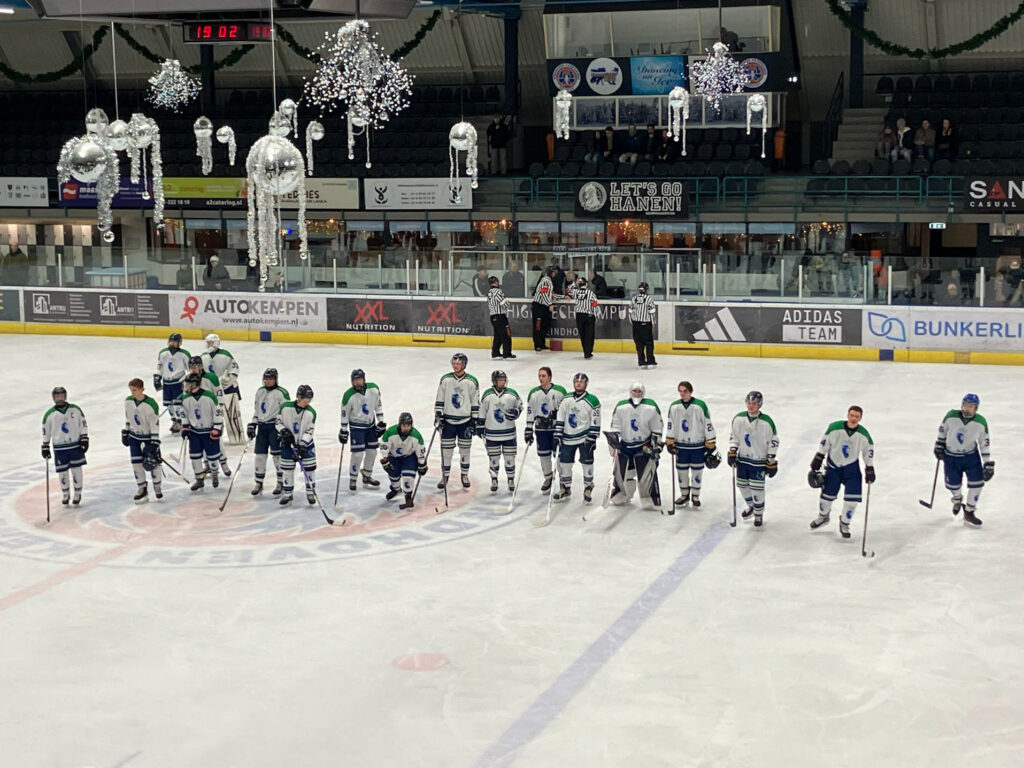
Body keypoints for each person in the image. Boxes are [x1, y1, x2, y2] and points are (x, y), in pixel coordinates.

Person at [808, 405, 875, 539]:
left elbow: (868, 451)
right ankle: (823, 517)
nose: (854, 418)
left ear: (860, 418)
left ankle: (844, 523)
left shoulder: (863, 434)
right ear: (847, 415)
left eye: (857, 416)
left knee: (852, 501)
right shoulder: (835, 428)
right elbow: (824, 443)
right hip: (833, 467)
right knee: (826, 497)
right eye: (852, 415)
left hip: (852, 469)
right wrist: (819, 457)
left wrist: (869, 468)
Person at [934, 393, 993, 526]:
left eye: (971, 406)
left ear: (976, 408)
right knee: (952, 485)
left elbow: (984, 443)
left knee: (977, 484)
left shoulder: (981, 422)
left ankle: (969, 511)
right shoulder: (951, 416)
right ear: (962, 405)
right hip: (951, 456)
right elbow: (942, 430)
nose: (967, 408)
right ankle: (957, 498)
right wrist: (939, 444)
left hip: (971, 457)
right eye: (966, 405)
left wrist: (988, 462)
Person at [607, 382, 663, 510]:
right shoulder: (621, 407)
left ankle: (649, 498)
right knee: (622, 472)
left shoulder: (651, 406)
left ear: (643, 393)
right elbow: (616, 425)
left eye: (639, 392)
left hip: (643, 445)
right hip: (625, 445)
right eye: (634, 391)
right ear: (630, 392)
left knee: (647, 473)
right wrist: (614, 439)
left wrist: (656, 446)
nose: (637, 394)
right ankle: (623, 493)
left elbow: (657, 428)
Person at [727, 390, 779, 527]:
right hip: (743, 459)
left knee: (757, 489)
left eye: (754, 403)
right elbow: (734, 436)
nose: (751, 406)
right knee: (741, 484)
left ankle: (758, 514)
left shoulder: (766, 422)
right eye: (749, 403)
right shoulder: (739, 419)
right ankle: (752, 506)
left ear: (760, 404)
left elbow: (773, 441)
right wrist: (733, 451)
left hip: (759, 461)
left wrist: (771, 460)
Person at [665, 381, 719, 509]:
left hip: (697, 447)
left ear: (690, 391)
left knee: (697, 472)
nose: (682, 394)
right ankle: (684, 495)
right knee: (681, 472)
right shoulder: (674, 406)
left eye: (685, 391)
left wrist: (710, 442)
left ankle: (695, 496)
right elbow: (670, 424)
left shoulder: (700, 406)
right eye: (680, 391)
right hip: (681, 447)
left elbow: (708, 423)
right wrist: (669, 441)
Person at [434, 353, 480, 489]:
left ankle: (464, 474)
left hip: (465, 421)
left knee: (465, 450)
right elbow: (440, 397)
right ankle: (445, 475)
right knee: (446, 451)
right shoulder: (446, 379)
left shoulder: (471, 381)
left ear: (464, 365)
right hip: (448, 421)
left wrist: (475, 420)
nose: (455, 366)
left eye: (458, 364)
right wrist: (438, 415)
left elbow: (475, 401)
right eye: (454, 363)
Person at [552, 372, 600, 502]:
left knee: (587, 462)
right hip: (567, 437)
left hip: (585, 437)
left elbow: (595, 419)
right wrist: (557, 434)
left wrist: (593, 436)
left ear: (586, 384)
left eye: (581, 381)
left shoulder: (592, 400)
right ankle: (565, 488)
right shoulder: (566, 399)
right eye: (577, 381)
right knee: (565, 463)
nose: (579, 383)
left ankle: (588, 487)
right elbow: (560, 416)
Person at [339, 368, 385, 492]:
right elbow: (344, 413)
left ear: (364, 379)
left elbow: (378, 406)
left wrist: (381, 422)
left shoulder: (373, 389)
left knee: (372, 452)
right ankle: (353, 478)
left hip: (370, 426)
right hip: (356, 428)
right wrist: (343, 429)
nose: (357, 382)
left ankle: (367, 476)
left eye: (359, 379)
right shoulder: (348, 395)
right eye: (354, 380)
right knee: (358, 454)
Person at [41, 386, 88, 506]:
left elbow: (83, 424)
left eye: (62, 396)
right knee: (62, 472)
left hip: (75, 445)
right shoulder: (50, 414)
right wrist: (45, 446)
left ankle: (78, 493)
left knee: (77, 470)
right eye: (57, 397)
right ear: (53, 398)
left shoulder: (75, 409)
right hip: (60, 448)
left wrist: (84, 438)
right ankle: (65, 494)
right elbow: (46, 431)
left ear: (65, 396)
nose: (60, 399)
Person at [524, 366, 567, 494]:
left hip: (555, 429)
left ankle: (563, 481)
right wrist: (528, 428)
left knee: (558, 455)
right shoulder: (534, 393)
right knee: (543, 455)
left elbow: (565, 410)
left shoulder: (560, 391)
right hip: (541, 429)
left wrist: (561, 423)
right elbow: (530, 412)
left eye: (543, 376)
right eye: (539, 376)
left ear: (549, 377)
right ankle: (548, 478)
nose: (541, 378)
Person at [478, 370, 523, 493]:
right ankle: (494, 478)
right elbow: (482, 411)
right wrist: (480, 425)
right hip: (492, 433)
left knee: (510, 457)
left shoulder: (512, 394)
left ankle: (510, 479)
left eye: (503, 380)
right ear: (494, 381)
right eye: (500, 380)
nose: (502, 382)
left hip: (509, 432)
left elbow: (520, 406)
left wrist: (516, 412)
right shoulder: (487, 395)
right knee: (494, 458)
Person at [248, 368, 289, 496]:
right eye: (266, 379)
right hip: (262, 427)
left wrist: (284, 429)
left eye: (271, 379)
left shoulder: (281, 393)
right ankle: (259, 482)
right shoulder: (260, 392)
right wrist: (253, 423)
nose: (268, 381)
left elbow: (286, 412)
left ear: (276, 379)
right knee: (260, 456)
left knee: (277, 457)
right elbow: (257, 410)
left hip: (274, 428)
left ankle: (280, 482)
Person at [180, 373, 224, 492]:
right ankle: (199, 480)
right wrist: (185, 426)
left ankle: (214, 473)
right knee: (195, 456)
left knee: (213, 456)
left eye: (188, 383)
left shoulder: (209, 396)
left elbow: (217, 413)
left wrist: (217, 427)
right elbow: (184, 413)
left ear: (194, 384)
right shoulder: (186, 398)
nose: (186, 386)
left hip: (208, 431)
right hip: (194, 432)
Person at [276, 384, 317, 506]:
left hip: (306, 445)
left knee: (310, 469)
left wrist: (303, 444)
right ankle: (288, 494)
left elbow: (310, 430)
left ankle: (310, 493)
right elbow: (278, 422)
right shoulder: (285, 407)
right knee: (287, 469)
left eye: (309, 399)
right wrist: (283, 431)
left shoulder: (311, 413)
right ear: (298, 397)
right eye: (305, 398)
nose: (307, 401)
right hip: (287, 445)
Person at [123, 378, 162, 503]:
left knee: (153, 463)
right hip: (135, 438)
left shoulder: (151, 405)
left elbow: (154, 424)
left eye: (135, 390)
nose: (132, 393)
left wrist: (154, 443)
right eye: (131, 390)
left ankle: (157, 487)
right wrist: (126, 431)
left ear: (142, 389)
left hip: (148, 438)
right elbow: (128, 417)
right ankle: (142, 488)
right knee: (136, 464)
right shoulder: (128, 401)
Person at [380, 412, 427, 510]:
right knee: (393, 475)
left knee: (407, 477)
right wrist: (385, 460)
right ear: (400, 425)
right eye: (404, 425)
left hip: (409, 457)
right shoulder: (390, 432)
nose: (406, 428)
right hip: (393, 457)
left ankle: (408, 497)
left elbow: (420, 450)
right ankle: (396, 489)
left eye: (408, 425)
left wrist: (422, 464)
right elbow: (384, 446)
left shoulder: (416, 435)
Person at [201, 333, 242, 444]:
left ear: (216, 343)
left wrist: (228, 381)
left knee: (231, 413)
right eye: (207, 343)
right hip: (213, 390)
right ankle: (218, 429)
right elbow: (201, 374)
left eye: (210, 342)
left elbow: (234, 370)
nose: (208, 345)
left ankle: (236, 435)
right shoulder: (203, 356)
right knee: (215, 412)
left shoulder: (226, 355)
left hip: (228, 389)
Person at [155, 332, 191, 434]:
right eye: (171, 341)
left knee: (178, 405)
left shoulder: (184, 354)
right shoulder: (163, 353)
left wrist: (186, 380)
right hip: (167, 383)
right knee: (168, 405)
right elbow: (160, 366)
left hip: (178, 382)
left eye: (175, 341)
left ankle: (180, 421)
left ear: (179, 343)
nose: (172, 343)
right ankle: (174, 420)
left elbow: (190, 369)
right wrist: (157, 376)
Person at [628, 281, 657, 368]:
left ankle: (641, 361)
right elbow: (652, 312)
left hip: (636, 324)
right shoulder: (649, 299)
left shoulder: (634, 299)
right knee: (649, 343)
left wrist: (633, 322)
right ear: (646, 290)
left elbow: (630, 312)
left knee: (639, 344)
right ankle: (650, 360)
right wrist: (653, 323)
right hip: (646, 324)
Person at [568, 276, 598, 359]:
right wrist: (596, 315)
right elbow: (595, 305)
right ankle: (588, 352)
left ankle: (586, 351)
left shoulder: (576, 292)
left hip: (579, 315)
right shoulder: (591, 293)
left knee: (583, 334)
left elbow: (569, 289)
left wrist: (575, 282)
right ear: (587, 284)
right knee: (589, 335)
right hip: (589, 315)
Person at [487, 275, 515, 360]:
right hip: (500, 316)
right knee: (506, 334)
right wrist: (508, 303)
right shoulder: (498, 291)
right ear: (495, 282)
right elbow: (504, 303)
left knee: (498, 335)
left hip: (493, 316)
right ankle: (507, 354)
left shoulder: (489, 292)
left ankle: (495, 353)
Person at [531, 265, 556, 351]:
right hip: (539, 307)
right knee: (538, 326)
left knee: (544, 326)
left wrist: (564, 296)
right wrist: (550, 304)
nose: (555, 274)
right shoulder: (546, 281)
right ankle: (538, 345)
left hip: (543, 307)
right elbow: (544, 294)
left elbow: (550, 294)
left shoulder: (549, 282)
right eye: (554, 272)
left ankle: (541, 343)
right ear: (551, 273)